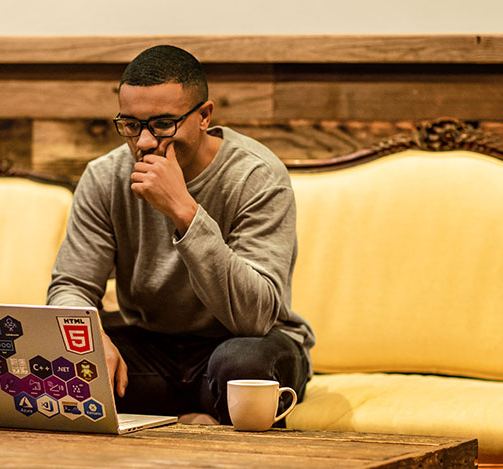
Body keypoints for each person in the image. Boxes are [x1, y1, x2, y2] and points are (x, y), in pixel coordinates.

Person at [47, 45, 314, 424]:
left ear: (204, 116)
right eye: (131, 124)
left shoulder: (257, 176)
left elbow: (254, 318)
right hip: (151, 350)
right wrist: (88, 342)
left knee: (244, 365)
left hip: (240, 347)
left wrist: (184, 210)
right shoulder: (105, 176)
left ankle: (198, 418)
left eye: (162, 124)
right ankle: (195, 419)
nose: (143, 142)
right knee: (66, 357)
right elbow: (70, 286)